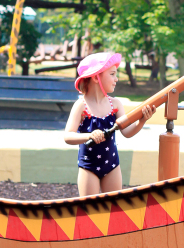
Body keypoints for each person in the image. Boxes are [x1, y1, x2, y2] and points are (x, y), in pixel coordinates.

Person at [64, 52, 156, 196]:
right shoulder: (81, 106)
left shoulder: (116, 104)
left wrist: (142, 121)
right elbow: (68, 136)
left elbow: (127, 132)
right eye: (112, 74)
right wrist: (89, 135)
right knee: (90, 211)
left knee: (114, 210)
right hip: (89, 167)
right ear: (95, 77)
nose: (116, 79)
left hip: (112, 166)